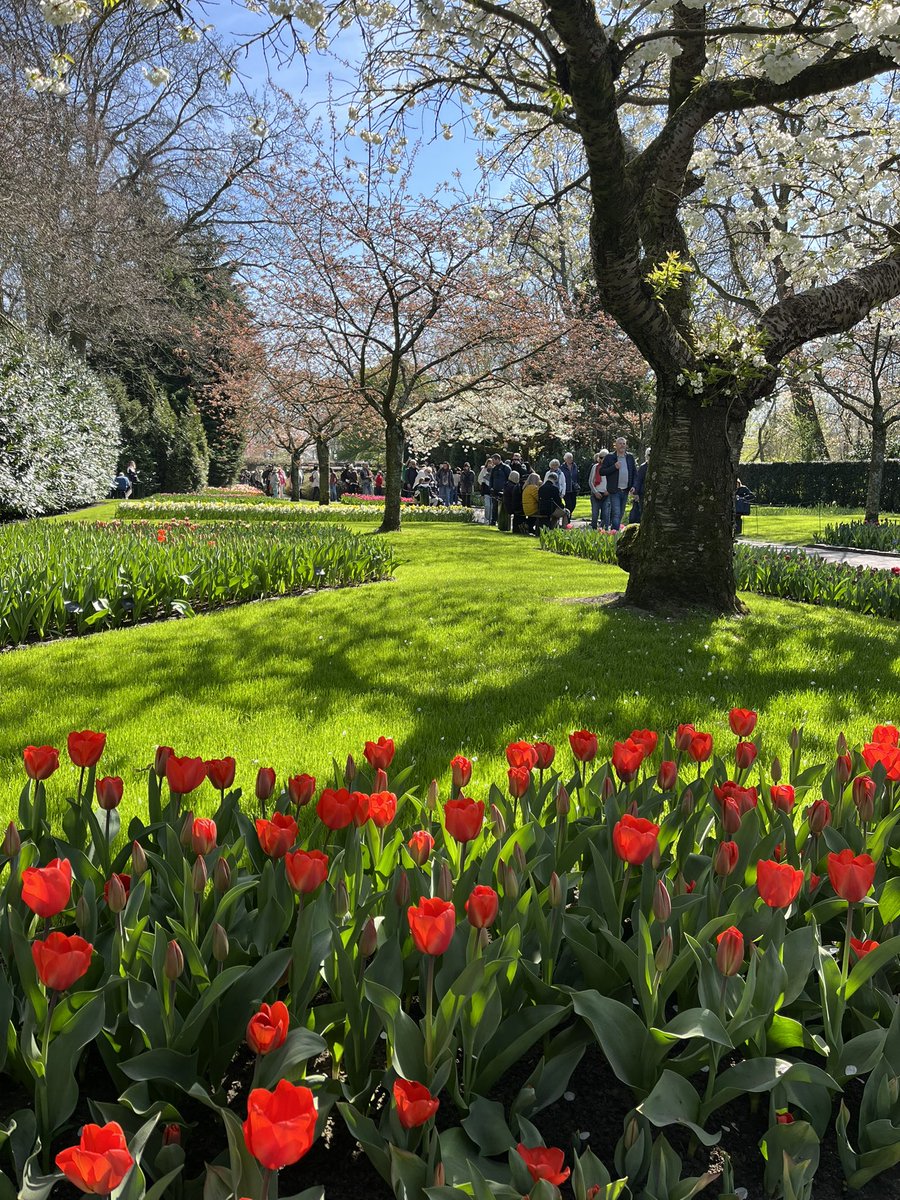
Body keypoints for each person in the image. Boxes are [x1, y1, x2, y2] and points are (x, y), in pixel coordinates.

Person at [599, 437, 637, 530]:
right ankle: (615, 533)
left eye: (624, 443)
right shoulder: (610, 457)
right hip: (615, 490)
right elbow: (602, 471)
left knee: (620, 513)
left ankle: (613, 530)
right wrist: (614, 467)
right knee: (616, 513)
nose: (622, 445)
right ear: (616, 445)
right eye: (620, 443)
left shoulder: (630, 457)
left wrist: (634, 486)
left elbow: (634, 473)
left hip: (626, 490)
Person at [588, 449, 610, 530]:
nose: (602, 459)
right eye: (601, 457)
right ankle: (594, 529)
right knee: (594, 515)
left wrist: (608, 491)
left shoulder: (611, 467)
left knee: (606, 514)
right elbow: (590, 481)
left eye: (604, 457)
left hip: (606, 494)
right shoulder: (595, 467)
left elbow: (613, 481)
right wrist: (595, 492)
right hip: (596, 494)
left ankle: (605, 530)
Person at [489, 454, 511, 526]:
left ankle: (502, 520)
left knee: (503, 507)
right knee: (494, 506)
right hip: (495, 490)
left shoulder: (506, 468)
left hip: (503, 491)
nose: (492, 462)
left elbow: (509, 479)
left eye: (493, 460)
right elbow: (491, 479)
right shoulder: (494, 469)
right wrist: (491, 488)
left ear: (497, 459)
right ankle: (493, 520)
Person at [630, 447, 650, 523]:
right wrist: (636, 493)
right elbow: (638, 480)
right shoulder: (643, 467)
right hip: (643, 493)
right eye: (648, 455)